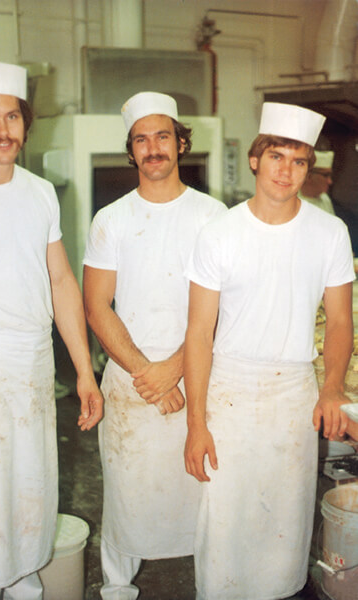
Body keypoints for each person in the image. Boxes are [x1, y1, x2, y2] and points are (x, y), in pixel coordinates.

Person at [183, 102, 355, 600]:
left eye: (299, 161)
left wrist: (331, 388)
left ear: (311, 168)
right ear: (256, 160)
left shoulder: (329, 233)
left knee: (286, 518)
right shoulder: (220, 233)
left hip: (294, 392)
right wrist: (197, 424)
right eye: (276, 156)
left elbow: (341, 321)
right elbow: (198, 333)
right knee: (226, 521)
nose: (287, 171)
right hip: (231, 392)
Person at [0, 61, 103, 600]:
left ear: (25, 121)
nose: (2, 131)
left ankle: (24, 588)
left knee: (29, 499)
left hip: (36, 366)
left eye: (11, 116)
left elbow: (61, 281)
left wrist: (85, 373)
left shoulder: (40, 192)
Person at [83, 91, 226, 599]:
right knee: (127, 501)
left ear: (181, 142)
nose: (153, 147)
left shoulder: (214, 217)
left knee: (203, 499)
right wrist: (149, 373)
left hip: (198, 377)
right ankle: (117, 590)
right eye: (141, 139)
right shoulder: (111, 220)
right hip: (131, 382)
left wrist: (176, 369)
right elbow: (97, 306)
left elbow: (222, 309)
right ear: (131, 151)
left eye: (162, 135)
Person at [299, 149, 335, 214]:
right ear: (308, 176)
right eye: (326, 175)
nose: (330, 181)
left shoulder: (325, 199)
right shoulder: (291, 201)